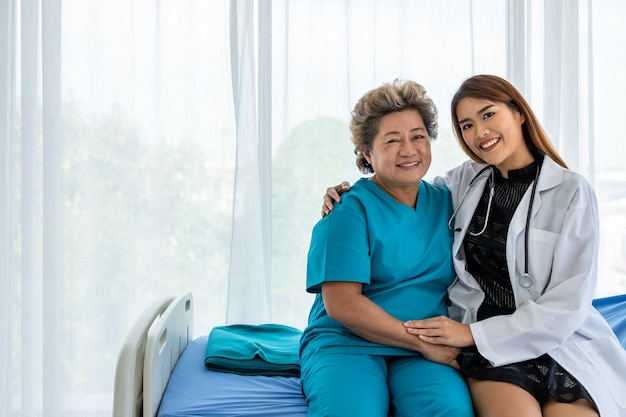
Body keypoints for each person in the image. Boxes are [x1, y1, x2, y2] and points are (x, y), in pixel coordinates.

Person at [321, 74, 626, 417]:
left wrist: (467, 334)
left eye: (488, 114)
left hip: (559, 343)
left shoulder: (572, 192)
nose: (479, 132)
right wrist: (343, 193)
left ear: (519, 112)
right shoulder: (462, 182)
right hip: (487, 342)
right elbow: (396, 189)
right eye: (466, 125)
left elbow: (568, 303)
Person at [299, 80, 474, 417]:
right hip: (348, 344)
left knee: (449, 410)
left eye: (418, 136)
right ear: (368, 153)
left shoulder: (450, 201)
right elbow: (342, 305)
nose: (409, 150)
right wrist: (423, 343)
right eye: (392, 140)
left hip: (422, 349)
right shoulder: (347, 211)